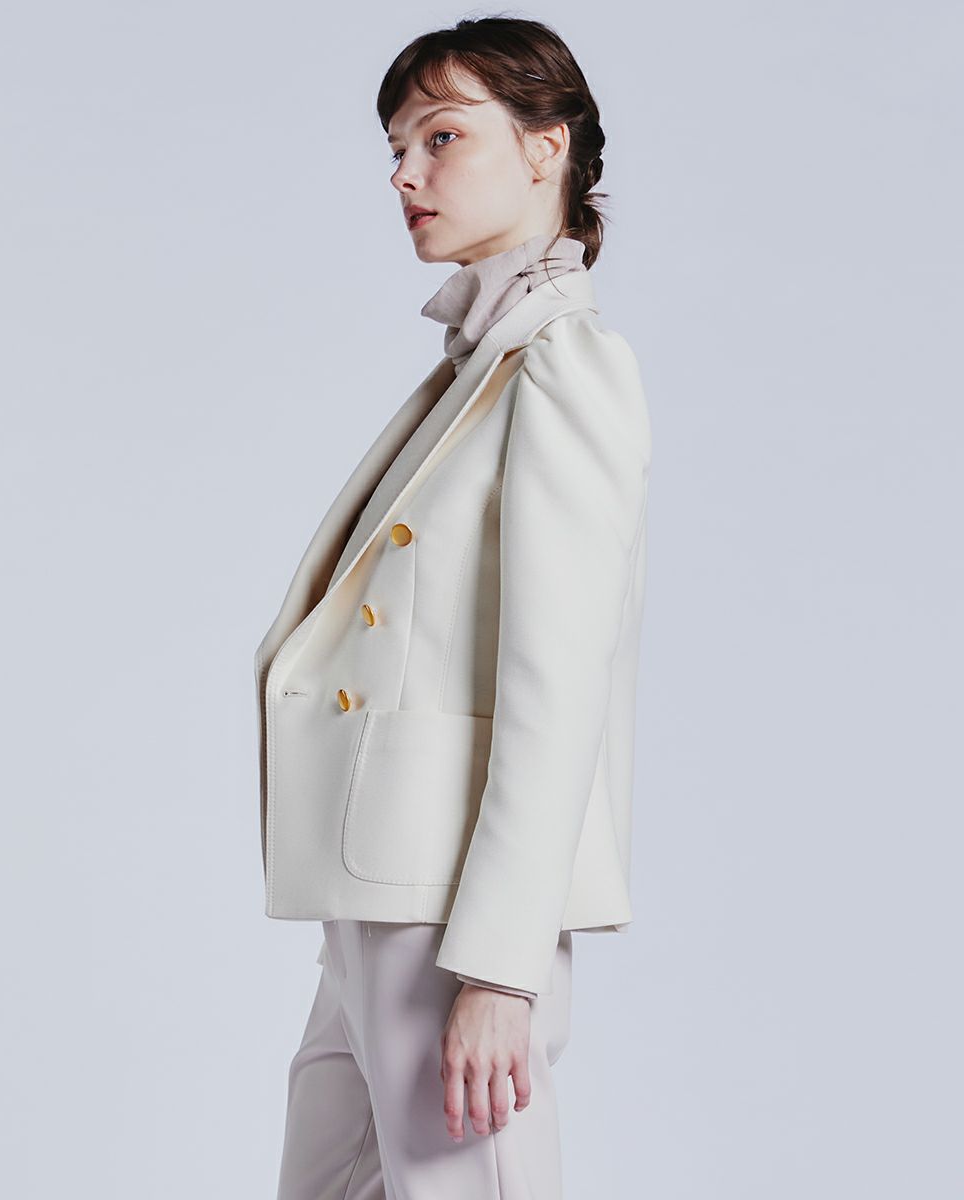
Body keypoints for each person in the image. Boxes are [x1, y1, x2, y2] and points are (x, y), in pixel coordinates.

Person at [254, 16, 652, 1198]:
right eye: (396, 147)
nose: (404, 173)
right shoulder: (480, 364)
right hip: (375, 891)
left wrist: (500, 968)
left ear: (545, 146)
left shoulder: (564, 364)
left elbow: (555, 689)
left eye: (441, 136)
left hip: (450, 908)